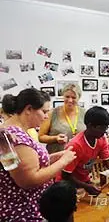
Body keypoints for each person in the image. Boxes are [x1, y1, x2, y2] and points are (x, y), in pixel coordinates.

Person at [0, 88, 76, 221]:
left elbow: (17, 168)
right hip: (22, 211)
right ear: (29, 109)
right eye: (44, 111)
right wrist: (63, 162)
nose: (46, 116)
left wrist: (54, 157)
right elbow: (29, 180)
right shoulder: (16, 138)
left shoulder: (13, 133)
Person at [57, 106, 109, 196]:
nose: (104, 132)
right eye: (102, 128)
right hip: (65, 186)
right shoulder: (76, 145)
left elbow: (108, 162)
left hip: (83, 181)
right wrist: (86, 187)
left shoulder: (101, 139)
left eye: (106, 128)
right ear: (90, 125)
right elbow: (65, 175)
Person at [39, 84, 86, 153]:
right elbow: (41, 137)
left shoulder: (84, 113)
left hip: (78, 157)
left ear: (79, 98)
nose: (70, 100)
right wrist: (55, 138)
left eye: (73, 97)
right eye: (67, 96)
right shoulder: (51, 113)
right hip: (57, 158)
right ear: (62, 96)